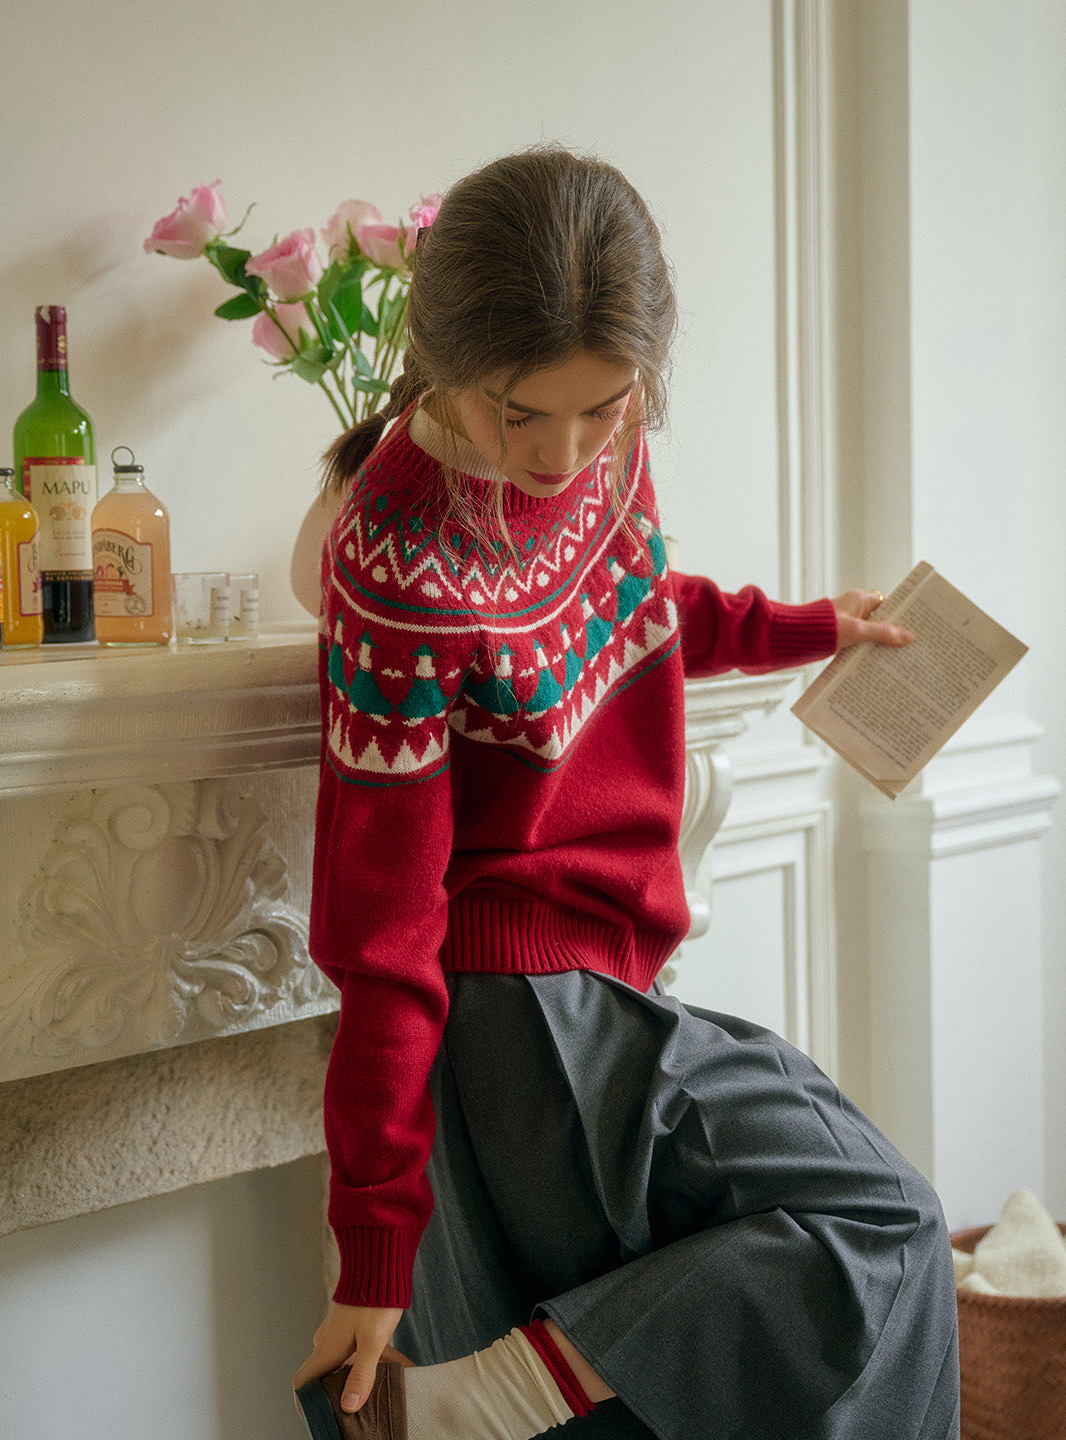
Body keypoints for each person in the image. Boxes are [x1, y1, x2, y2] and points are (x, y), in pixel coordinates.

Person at [292, 147, 959, 1440]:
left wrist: (805, 626)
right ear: (439, 360)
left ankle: (488, 1397)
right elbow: (375, 930)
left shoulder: (607, 442)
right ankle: (485, 1397)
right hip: (522, 1018)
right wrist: (372, 1247)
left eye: (606, 410)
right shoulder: (395, 560)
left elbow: (628, 605)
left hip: (604, 987)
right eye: (518, 415)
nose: (561, 454)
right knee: (887, 1217)